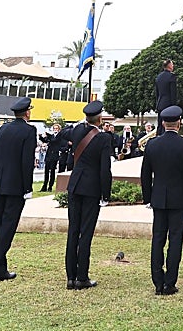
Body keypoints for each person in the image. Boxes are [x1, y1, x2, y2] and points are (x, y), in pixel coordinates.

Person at [141, 105, 183, 296]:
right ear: (179, 122)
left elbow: (145, 175)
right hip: (179, 199)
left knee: (157, 239)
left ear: (163, 123)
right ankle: (170, 282)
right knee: (175, 240)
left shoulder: (152, 144)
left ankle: (157, 281)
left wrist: (147, 198)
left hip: (158, 198)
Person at [0, 97, 37, 282]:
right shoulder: (29, 131)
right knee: (7, 227)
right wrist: (27, 187)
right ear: (27, 112)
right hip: (15, 186)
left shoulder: (3, 129)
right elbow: (26, 162)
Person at [65, 100, 113, 290]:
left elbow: (69, 131)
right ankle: (82, 277)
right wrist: (106, 194)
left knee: (73, 231)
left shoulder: (76, 131)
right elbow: (105, 169)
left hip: (75, 185)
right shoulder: (103, 138)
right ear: (100, 118)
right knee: (86, 233)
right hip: (91, 188)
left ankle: (70, 276)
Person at [38, 124, 65, 192]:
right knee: (46, 171)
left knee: (52, 171)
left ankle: (50, 186)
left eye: (56, 128)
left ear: (59, 129)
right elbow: (45, 140)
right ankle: (44, 186)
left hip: (54, 155)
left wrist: (48, 135)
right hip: (49, 155)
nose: (55, 130)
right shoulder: (51, 136)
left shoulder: (60, 136)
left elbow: (54, 141)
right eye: (54, 128)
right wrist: (40, 136)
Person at [154, 59, 178, 135]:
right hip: (168, 105)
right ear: (169, 66)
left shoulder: (159, 77)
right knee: (168, 126)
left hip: (160, 104)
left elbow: (157, 93)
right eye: (172, 64)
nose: (173, 66)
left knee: (160, 125)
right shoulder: (172, 76)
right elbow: (173, 93)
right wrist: (174, 107)